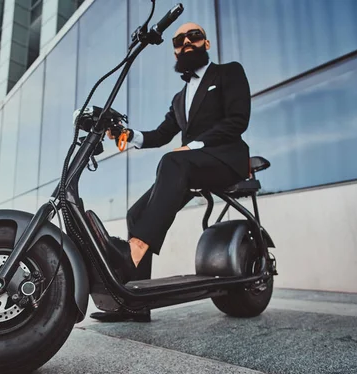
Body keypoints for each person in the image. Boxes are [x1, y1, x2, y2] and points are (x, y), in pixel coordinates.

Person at [90, 22, 252, 322]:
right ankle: (135, 304)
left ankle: (132, 252)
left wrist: (193, 146)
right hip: (192, 166)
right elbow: (161, 135)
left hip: (226, 160)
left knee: (172, 160)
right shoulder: (179, 98)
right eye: (179, 40)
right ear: (175, 50)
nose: (187, 42)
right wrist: (128, 134)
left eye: (194, 36)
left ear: (207, 43)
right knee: (136, 214)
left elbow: (238, 121)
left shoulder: (229, 72)